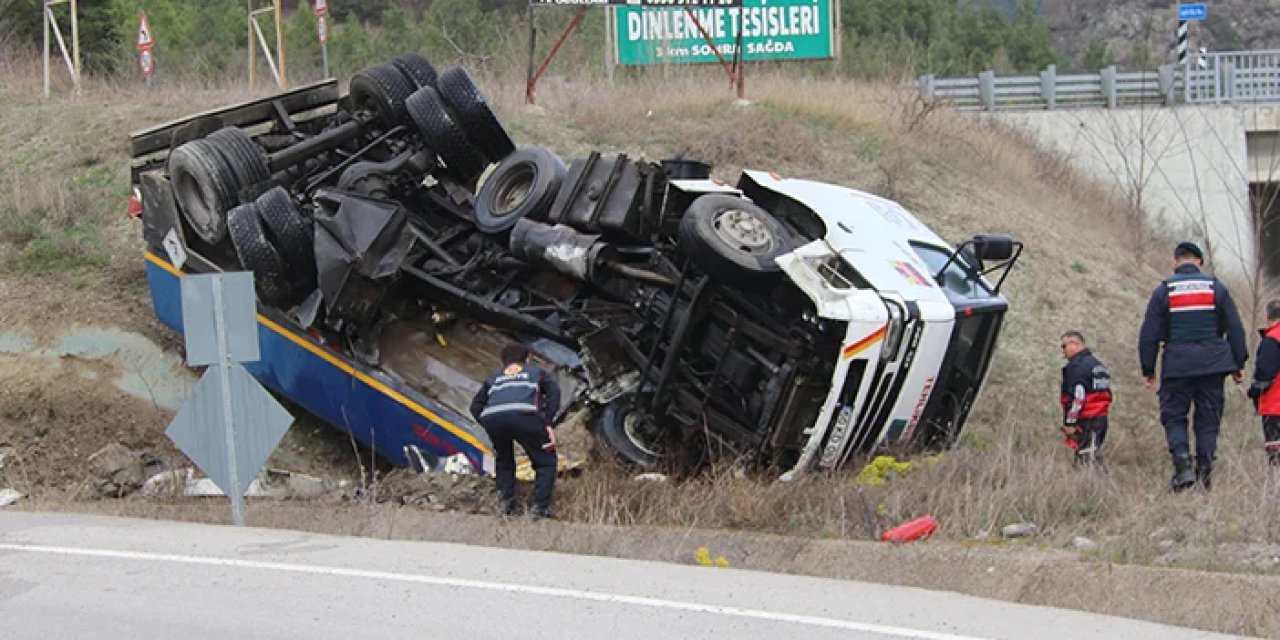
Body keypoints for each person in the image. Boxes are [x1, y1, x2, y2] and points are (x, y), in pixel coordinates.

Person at [1138, 241, 1248, 492]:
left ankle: (1183, 469)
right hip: (1213, 364)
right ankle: (1204, 474)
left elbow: (1149, 335)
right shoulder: (1216, 287)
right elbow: (1235, 328)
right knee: (1208, 420)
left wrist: (1148, 369)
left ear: (1175, 262)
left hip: (1177, 364)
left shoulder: (1164, 290)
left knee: (1174, 417)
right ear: (1200, 263)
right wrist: (1238, 363)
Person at [470, 343, 561, 518]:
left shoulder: (494, 377)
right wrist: (547, 423)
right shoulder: (537, 373)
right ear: (527, 359)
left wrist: (489, 424)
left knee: (504, 460)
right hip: (526, 417)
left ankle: (506, 505)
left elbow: (475, 406)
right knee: (545, 461)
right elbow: (554, 393)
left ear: (502, 361)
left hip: (494, 419)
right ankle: (539, 508)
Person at [1059, 331, 1112, 469]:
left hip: (1086, 420)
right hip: (1101, 418)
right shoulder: (1099, 366)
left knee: (1086, 460)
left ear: (1075, 344)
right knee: (1090, 456)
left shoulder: (1076, 367)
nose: (1063, 351)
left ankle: (1096, 482)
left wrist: (1070, 423)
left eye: (1064, 346)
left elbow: (1078, 398)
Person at [1247, 299, 1280, 467]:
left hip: (1275, 406)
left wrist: (1253, 391)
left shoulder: (1273, 339)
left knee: (1276, 458)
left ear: (1268, 316)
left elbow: (1265, 375)